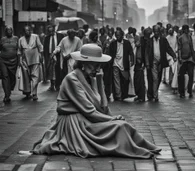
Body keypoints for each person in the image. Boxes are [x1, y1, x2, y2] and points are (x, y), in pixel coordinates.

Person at [32, 44, 161, 158]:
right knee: (120, 126)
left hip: (87, 119)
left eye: (99, 65)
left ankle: (142, 147)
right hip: (75, 123)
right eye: (96, 65)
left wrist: (100, 84)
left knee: (122, 126)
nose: (98, 69)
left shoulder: (92, 78)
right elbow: (90, 112)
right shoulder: (71, 79)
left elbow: (103, 108)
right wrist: (112, 119)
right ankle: (135, 148)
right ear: (84, 64)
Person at [145, 25, 177, 102]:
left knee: (158, 78)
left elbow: (168, 48)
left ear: (159, 32)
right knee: (155, 78)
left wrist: (173, 56)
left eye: (157, 31)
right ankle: (155, 96)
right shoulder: (150, 40)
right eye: (154, 31)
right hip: (153, 62)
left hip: (160, 62)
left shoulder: (163, 40)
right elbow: (146, 52)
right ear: (153, 32)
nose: (156, 33)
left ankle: (154, 93)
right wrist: (147, 63)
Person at [18, 25, 43, 101]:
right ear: (23, 32)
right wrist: (19, 60)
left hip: (35, 59)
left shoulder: (35, 37)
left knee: (35, 76)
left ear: (31, 31)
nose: (27, 32)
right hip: (25, 60)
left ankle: (34, 93)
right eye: (25, 31)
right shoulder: (21, 39)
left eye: (28, 30)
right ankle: (27, 92)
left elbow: (40, 46)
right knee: (26, 77)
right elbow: (19, 50)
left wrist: (41, 56)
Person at [109, 30, 134, 101]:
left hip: (124, 64)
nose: (117, 37)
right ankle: (118, 95)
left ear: (122, 35)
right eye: (116, 35)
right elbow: (110, 53)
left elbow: (131, 52)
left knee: (125, 79)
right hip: (115, 63)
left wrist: (132, 60)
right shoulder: (113, 43)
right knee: (116, 80)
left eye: (119, 35)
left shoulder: (126, 43)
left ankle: (124, 94)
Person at [0, 26, 19, 103]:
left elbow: (19, 49)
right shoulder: (2, 39)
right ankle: (6, 95)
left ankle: (10, 89)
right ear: (5, 32)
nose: (9, 32)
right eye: (7, 30)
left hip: (13, 61)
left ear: (12, 31)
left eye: (10, 30)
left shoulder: (16, 38)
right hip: (3, 60)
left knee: (12, 77)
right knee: (5, 76)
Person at [43, 25, 64, 91]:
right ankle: (52, 85)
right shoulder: (46, 38)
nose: (51, 32)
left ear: (54, 30)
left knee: (58, 70)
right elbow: (45, 48)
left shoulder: (60, 36)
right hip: (50, 56)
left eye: (52, 31)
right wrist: (46, 58)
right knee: (50, 71)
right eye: (49, 31)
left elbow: (62, 46)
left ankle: (57, 85)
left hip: (58, 55)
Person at [177, 25, 195, 98]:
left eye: (187, 29)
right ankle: (182, 92)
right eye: (185, 29)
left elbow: (191, 47)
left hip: (190, 59)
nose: (187, 30)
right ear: (183, 30)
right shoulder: (180, 38)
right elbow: (179, 48)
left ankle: (189, 90)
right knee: (181, 76)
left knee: (191, 75)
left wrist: (193, 56)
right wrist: (179, 58)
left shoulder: (190, 36)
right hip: (183, 59)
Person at [102, 29, 116, 100]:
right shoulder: (106, 41)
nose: (110, 34)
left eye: (111, 33)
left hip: (112, 62)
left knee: (111, 78)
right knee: (106, 78)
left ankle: (111, 92)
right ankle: (107, 93)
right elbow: (103, 50)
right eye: (109, 33)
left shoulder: (114, 41)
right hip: (106, 62)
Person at [165, 27, 178, 94]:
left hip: (175, 55)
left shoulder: (176, 37)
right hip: (170, 56)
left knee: (174, 70)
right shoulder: (167, 38)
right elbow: (167, 48)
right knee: (173, 70)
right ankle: (172, 83)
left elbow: (177, 46)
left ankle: (174, 84)